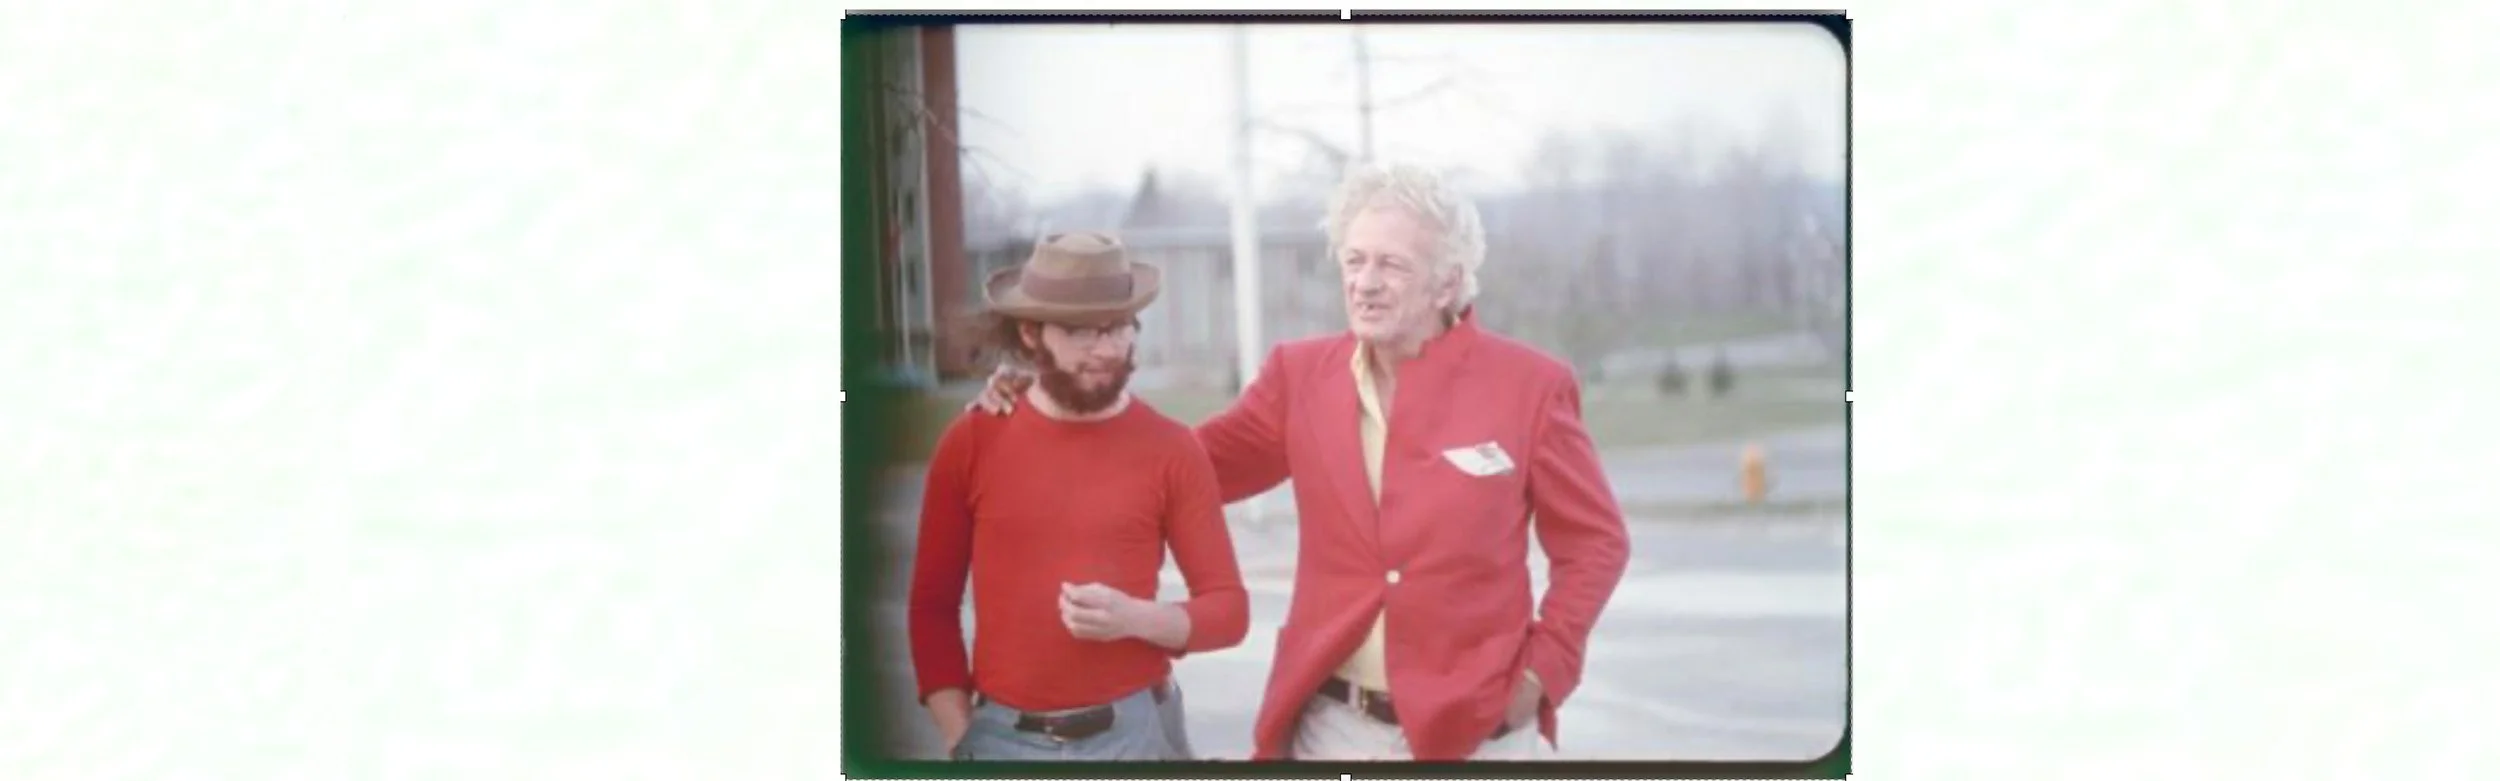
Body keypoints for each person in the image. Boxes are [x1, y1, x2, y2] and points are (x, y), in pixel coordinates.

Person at [970, 164, 1632, 761]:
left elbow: (1596, 543)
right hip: (1332, 729)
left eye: (1392, 265)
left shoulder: (1530, 387)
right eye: (1354, 260)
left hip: (1481, 737)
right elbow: (1178, 467)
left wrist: (1541, 673)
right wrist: (1050, 396)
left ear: (1448, 283)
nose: (1365, 283)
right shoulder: (1300, 376)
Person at [909, 231, 1250, 761]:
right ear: (1030, 333)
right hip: (999, 740)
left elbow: (1229, 611)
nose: (1106, 349)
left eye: (1118, 327)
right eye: (1080, 331)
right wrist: (960, 736)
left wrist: (1134, 619)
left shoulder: (1172, 448)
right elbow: (931, 607)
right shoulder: (973, 441)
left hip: (1138, 737)